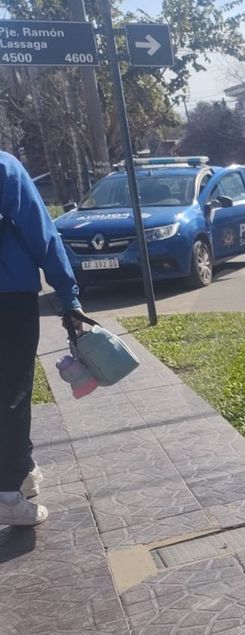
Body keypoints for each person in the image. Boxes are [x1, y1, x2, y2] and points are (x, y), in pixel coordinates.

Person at [0, 150, 85, 527]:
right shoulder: (4, 167)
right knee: (12, 393)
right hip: (8, 297)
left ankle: (22, 468)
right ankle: (7, 495)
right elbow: (41, 232)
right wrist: (68, 296)